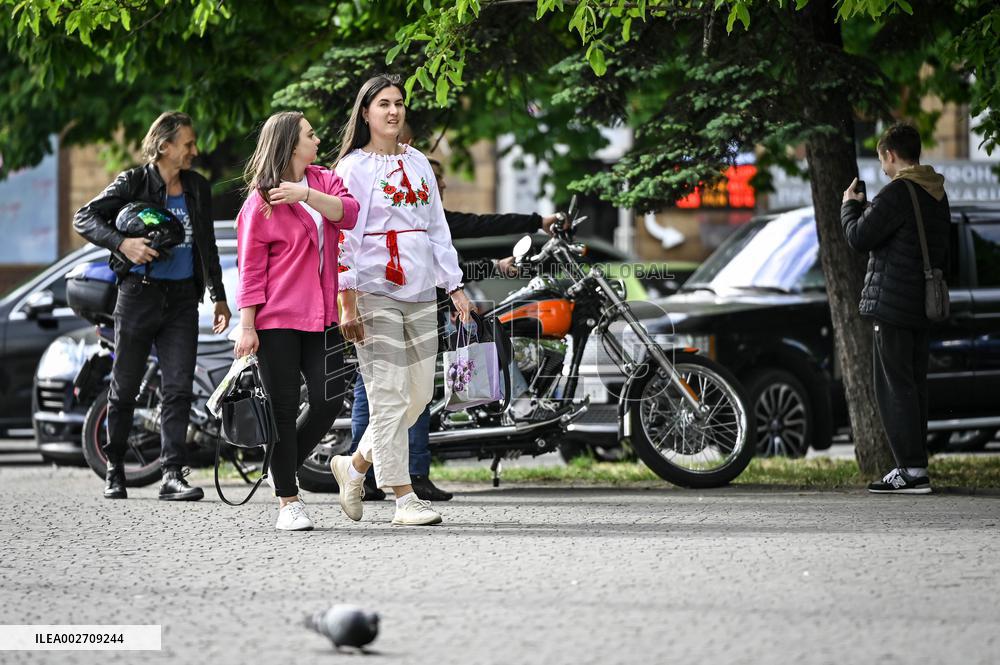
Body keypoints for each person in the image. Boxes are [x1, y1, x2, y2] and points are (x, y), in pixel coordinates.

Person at [349, 156, 565, 502]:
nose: (440, 186)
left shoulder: (426, 217)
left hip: (419, 308)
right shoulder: (393, 208)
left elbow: (469, 238)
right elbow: (459, 243)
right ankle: (405, 475)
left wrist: (532, 225)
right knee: (390, 396)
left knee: (400, 395)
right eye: (434, 179)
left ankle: (365, 471)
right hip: (395, 308)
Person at [331, 73, 473, 526]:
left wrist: (454, 285)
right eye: (383, 104)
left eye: (399, 103)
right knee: (388, 393)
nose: (393, 111)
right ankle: (403, 498)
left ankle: (353, 466)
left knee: (418, 394)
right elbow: (343, 238)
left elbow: (437, 229)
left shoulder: (419, 164)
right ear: (366, 113)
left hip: (420, 290)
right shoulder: (352, 168)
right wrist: (347, 301)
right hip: (374, 291)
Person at [73, 111, 231, 502]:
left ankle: (172, 474)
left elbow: (206, 244)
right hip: (138, 295)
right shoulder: (133, 182)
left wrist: (219, 296)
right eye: (188, 144)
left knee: (177, 389)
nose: (195, 150)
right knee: (125, 386)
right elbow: (84, 217)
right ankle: (114, 468)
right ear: (165, 146)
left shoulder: (197, 187)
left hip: (181, 301)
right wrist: (121, 243)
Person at [234, 111, 359, 530]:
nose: (318, 140)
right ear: (290, 144)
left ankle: (281, 464)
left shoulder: (322, 180)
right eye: (310, 134)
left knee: (329, 400)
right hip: (277, 320)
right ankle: (288, 500)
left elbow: (349, 213)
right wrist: (247, 325)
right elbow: (250, 270)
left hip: (323, 316)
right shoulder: (259, 203)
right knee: (283, 409)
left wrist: (305, 194)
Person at [841, 122, 950, 494]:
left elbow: (858, 237)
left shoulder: (897, 193)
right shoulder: (936, 192)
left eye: (882, 160)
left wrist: (848, 207)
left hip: (891, 304)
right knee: (914, 385)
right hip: (921, 304)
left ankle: (912, 471)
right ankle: (915, 466)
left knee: (893, 386)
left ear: (890, 154)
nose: (882, 168)